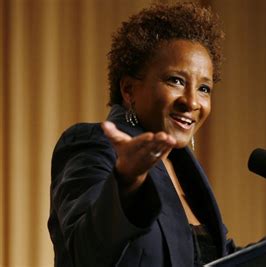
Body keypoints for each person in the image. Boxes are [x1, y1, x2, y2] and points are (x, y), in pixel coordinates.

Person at [48, 3, 233, 266]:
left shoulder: (184, 170)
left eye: (204, 88)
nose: (192, 101)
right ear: (128, 90)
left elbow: (229, 259)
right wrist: (127, 180)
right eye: (176, 81)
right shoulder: (92, 144)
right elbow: (84, 249)